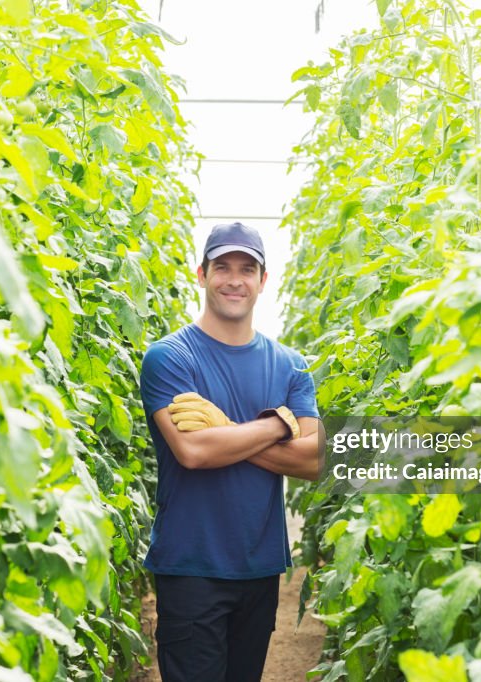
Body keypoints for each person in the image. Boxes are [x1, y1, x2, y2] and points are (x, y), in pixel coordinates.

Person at [138, 221, 323, 682]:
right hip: (191, 565)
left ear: (264, 281)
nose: (234, 280)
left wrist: (223, 428)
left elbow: (313, 459)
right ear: (201, 274)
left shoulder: (291, 365)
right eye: (222, 267)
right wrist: (280, 424)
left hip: (259, 567)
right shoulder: (169, 357)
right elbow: (194, 452)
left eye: (247, 269)